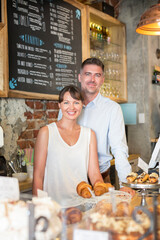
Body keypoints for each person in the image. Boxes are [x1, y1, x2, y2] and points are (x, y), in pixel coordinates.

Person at [58, 58, 135, 196]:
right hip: (70, 179)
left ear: (102, 79)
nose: (92, 79)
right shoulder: (68, 107)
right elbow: (60, 142)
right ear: (80, 77)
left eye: (97, 75)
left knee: (104, 216)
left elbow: (119, 149)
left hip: (101, 179)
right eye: (88, 74)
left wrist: (125, 183)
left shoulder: (112, 109)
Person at [33, 85, 104, 207]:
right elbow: (38, 175)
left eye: (76, 102)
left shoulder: (89, 135)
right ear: (59, 105)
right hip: (53, 206)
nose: (71, 107)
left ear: (82, 105)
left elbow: (94, 174)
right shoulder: (46, 132)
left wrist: (103, 196)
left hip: (83, 204)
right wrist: (38, 207)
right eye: (66, 102)